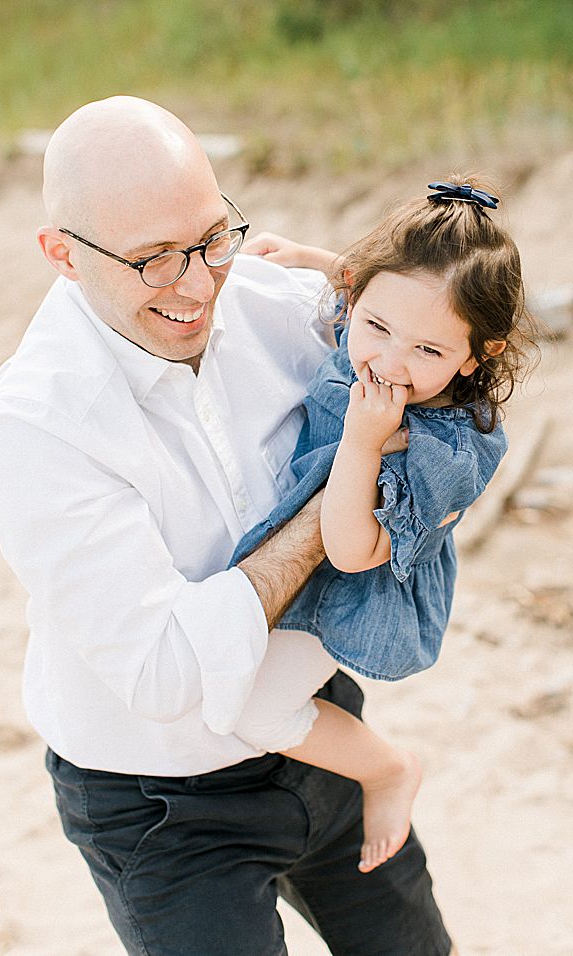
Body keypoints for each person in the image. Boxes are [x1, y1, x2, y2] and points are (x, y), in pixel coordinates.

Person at [0, 96, 456, 955]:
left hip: (323, 730)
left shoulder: (277, 299)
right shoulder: (36, 424)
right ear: (62, 256)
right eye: (154, 260)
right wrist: (338, 502)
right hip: (159, 802)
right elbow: (168, 674)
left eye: (208, 238)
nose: (196, 284)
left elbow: (442, 343)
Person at [227, 178, 535, 873]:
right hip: (308, 553)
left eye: (429, 352)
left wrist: (366, 442)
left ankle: (387, 769)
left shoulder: (445, 447)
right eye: (374, 326)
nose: (391, 363)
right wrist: (312, 257)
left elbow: (352, 550)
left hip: (357, 590)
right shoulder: (386, 318)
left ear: (478, 355)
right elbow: (391, 298)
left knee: (255, 712)